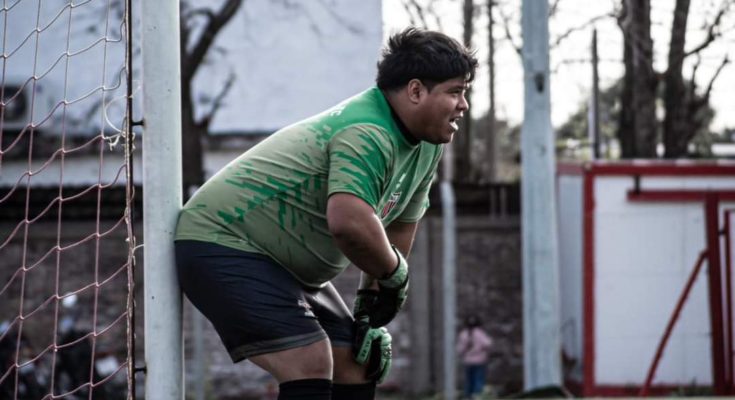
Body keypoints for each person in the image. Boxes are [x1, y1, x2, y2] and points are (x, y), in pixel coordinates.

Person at [174, 27, 478, 400]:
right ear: (416, 91)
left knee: (356, 361)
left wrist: (371, 306)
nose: (464, 105)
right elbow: (349, 223)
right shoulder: (368, 132)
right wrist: (395, 275)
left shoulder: (426, 146)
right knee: (310, 361)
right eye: (455, 92)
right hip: (222, 242)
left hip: (284, 263)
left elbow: (397, 227)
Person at [456, 314, 493, 399]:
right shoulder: (480, 333)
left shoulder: (463, 334)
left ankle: (467, 395)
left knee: (468, 380)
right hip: (480, 360)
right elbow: (488, 343)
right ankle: (477, 395)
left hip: (468, 361)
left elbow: (459, 349)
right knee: (478, 379)